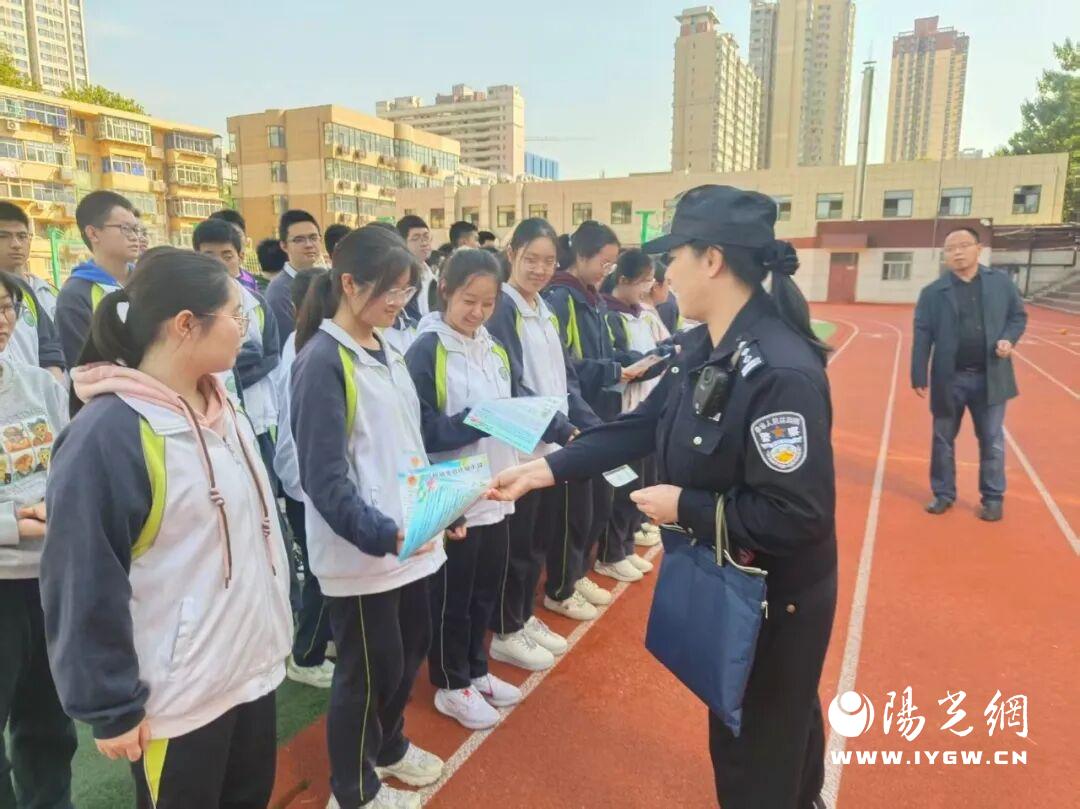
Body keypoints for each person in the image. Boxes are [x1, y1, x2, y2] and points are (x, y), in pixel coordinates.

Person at [490, 185, 838, 809]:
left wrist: (685, 507)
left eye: (675, 256)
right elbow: (642, 426)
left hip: (771, 599)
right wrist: (544, 471)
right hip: (738, 581)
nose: (665, 273)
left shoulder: (779, 372)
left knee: (756, 748)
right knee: (772, 728)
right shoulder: (705, 347)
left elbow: (797, 517)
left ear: (713, 260)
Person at [41, 249, 293, 809]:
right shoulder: (109, 433)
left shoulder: (223, 407)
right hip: (178, 699)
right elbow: (83, 578)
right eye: (236, 314)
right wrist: (111, 706)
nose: (246, 327)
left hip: (249, 670)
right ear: (185, 324)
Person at [290, 226, 458, 809]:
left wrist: (443, 507)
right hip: (364, 552)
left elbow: (406, 443)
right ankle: (353, 791)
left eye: (407, 290)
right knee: (366, 674)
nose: (399, 301)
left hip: (410, 538)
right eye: (389, 290)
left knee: (407, 654)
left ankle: (388, 745)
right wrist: (383, 534)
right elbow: (323, 478)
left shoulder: (386, 347)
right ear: (349, 284)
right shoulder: (321, 361)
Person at [406, 248, 548, 728]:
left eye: (488, 303)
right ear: (445, 289)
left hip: (496, 486)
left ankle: (476, 669)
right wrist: (477, 420)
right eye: (469, 301)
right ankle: (450, 683)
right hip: (453, 492)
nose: (478, 312)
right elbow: (421, 431)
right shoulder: (427, 350)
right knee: (453, 597)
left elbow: (512, 405)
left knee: (485, 590)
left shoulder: (493, 346)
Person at [484, 218, 603, 668]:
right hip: (521, 448)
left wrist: (587, 424)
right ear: (511, 254)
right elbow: (513, 383)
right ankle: (506, 628)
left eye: (548, 261)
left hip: (551, 448)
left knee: (536, 541)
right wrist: (559, 427)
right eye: (530, 258)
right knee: (516, 545)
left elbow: (564, 377)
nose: (539, 268)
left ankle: (523, 616)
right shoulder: (503, 308)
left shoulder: (545, 308)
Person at [0, 273, 76, 809]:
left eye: (7, 307)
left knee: (49, 723)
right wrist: (13, 523)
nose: (2, 321)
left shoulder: (39, 385)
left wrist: (61, 503)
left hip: (46, 579)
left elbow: (70, 463)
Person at [544, 221, 645, 588]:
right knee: (576, 510)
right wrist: (613, 370)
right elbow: (569, 367)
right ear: (582, 256)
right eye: (604, 262)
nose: (608, 270)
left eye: (612, 263)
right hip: (579, 417)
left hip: (603, 411)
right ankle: (564, 583)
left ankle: (581, 571)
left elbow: (603, 353)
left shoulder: (593, 299)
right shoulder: (561, 298)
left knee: (600, 503)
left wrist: (632, 362)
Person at [912, 226, 1027, 522]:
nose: (957, 252)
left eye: (963, 245)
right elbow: (922, 334)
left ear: (979, 248)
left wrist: (1008, 339)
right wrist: (918, 373)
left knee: (991, 440)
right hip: (949, 379)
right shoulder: (933, 293)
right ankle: (943, 494)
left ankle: (993, 497)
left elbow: (1018, 316)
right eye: (950, 249)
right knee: (942, 439)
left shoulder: (1001, 284)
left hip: (991, 376)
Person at [271, 268, 336, 690]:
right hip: (304, 480)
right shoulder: (309, 350)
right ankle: (306, 655)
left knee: (325, 568)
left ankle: (323, 640)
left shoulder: (308, 344)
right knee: (320, 571)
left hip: (305, 476)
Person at [192, 218, 282, 479]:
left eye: (227, 255)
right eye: (209, 255)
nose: (219, 263)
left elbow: (271, 354)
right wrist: (232, 363)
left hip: (256, 414)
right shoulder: (188, 306)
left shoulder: (257, 304)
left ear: (241, 257)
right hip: (210, 420)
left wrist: (236, 371)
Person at [600, 249, 670, 571]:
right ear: (623, 280)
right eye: (643, 281)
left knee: (642, 482)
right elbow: (621, 364)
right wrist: (648, 363)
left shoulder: (642, 314)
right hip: (624, 412)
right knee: (623, 486)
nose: (647, 288)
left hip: (647, 408)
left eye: (650, 281)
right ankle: (611, 553)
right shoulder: (611, 316)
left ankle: (626, 544)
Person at [55, 190, 140, 368]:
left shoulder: (148, 280)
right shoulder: (75, 294)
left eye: (136, 229)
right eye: (125, 228)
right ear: (93, 233)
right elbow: (81, 363)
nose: (135, 237)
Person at [0, 202, 65, 380]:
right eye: (3, 236)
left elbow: (49, 350)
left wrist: (52, 389)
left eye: (22, 236)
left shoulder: (27, 293)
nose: (16, 244)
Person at [266, 210, 323, 351]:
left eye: (313, 237)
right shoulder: (279, 291)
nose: (309, 244)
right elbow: (287, 343)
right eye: (299, 240)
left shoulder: (327, 279)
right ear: (284, 245)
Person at [397, 215, 438, 321]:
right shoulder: (398, 279)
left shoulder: (432, 278)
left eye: (426, 237)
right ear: (402, 243)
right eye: (416, 238)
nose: (424, 243)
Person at [209, 209, 261, 293]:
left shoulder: (250, 280)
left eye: (237, 234)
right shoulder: (201, 282)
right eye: (225, 235)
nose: (232, 240)